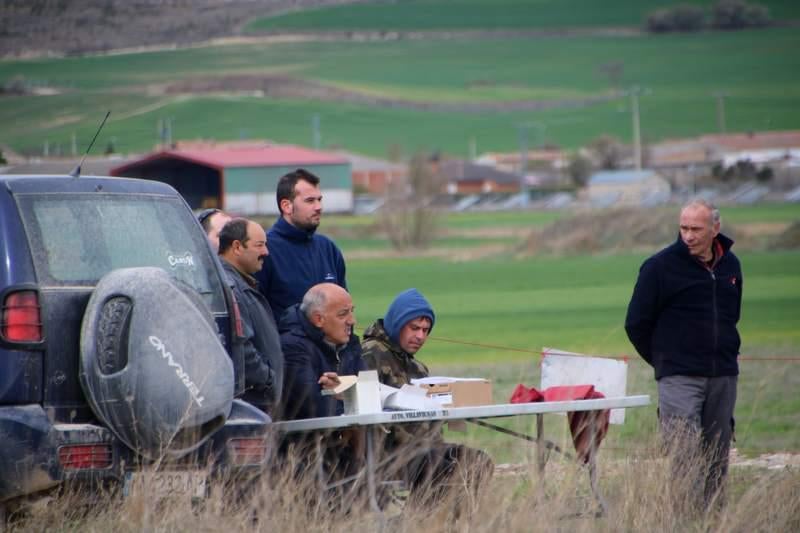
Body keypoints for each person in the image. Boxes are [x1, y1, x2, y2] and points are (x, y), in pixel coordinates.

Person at [625, 199, 742, 510]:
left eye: (696, 229)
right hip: (678, 377)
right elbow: (636, 323)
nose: (688, 236)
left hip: (723, 375)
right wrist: (666, 361)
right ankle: (682, 520)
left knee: (717, 455)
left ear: (715, 228)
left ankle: (714, 520)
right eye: (683, 228)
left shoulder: (732, 266)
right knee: (683, 454)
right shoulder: (659, 267)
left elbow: (732, 315)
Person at [361, 288, 494, 510]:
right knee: (444, 468)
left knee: (479, 462)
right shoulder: (369, 354)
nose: (420, 336)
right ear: (396, 323)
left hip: (426, 449)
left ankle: (447, 522)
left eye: (426, 330)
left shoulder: (418, 367)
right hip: (386, 454)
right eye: (414, 328)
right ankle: (423, 523)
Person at [255, 169, 347, 321]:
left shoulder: (328, 248)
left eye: (319, 199)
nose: (319, 207)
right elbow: (257, 316)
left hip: (331, 345)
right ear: (286, 206)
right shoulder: (264, 250)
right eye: (310, 201)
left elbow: (344, 309)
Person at [218, 218, 283, 416]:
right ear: (237, 247)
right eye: (259, 245)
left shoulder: (241, 284)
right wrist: (268, 380)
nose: (266, 252)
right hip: (251, 405)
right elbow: (242, 346)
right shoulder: (230, 288)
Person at [280, 283, 364, 420]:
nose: (352, 320)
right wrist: (348, 396)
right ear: (318, 319)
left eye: (352, 311)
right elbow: (316, 409)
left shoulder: (350, 343)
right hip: (309, 440)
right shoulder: (293, 348)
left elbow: (371, 394)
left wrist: (339, 393)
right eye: (343, 314)